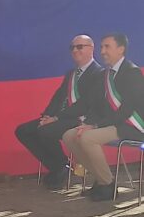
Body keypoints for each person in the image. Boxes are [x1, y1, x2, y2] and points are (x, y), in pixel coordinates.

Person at [61, 33, 144, 201]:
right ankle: (101, 179)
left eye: (107, 47)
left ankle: (107, 185)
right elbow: (99, 105)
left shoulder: (131, 72)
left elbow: (127, 109)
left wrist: (96, 126)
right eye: (101, 47)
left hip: (133, 126)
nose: (103, 51)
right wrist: (88, 123)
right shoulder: (106, 74)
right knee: (70, 136)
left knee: (88, 138)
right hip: (116, 124)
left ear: (121, 49)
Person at [15, 35, 104, 189]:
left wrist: (56, 118)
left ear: (91, 49)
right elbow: (58, 97)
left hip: (83, 119)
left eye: (80, 47)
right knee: (23, 131)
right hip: (63, 118)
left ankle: (61, 167)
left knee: (46, 131)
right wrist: (47, 116)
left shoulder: (99, 73)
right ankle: (59, 166)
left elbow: (85, 104)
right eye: (72, 48)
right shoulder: (71, 74)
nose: (75, 50)